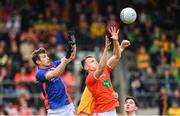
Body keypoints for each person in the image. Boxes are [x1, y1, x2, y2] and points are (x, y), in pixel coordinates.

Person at [79, 26, 130, 115]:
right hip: (102, 113)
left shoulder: (104, 69)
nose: (95, 62)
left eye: (95, 60)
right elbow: (101, 67)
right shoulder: (90, 78)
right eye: (91, 61)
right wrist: (106, 49)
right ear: (86, 68)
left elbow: (116, 56)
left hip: (113, 111)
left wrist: (115, 41)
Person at [31, 31, 76, 116]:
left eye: (47, 56)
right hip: (54, 109)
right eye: (44, 57)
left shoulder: (53, 64)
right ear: (38, 61)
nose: (47, 58)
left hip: (67, 104)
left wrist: (73, 45)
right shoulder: (39, 74)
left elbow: (71, 57)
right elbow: (55, 74)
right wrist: (65, 61)